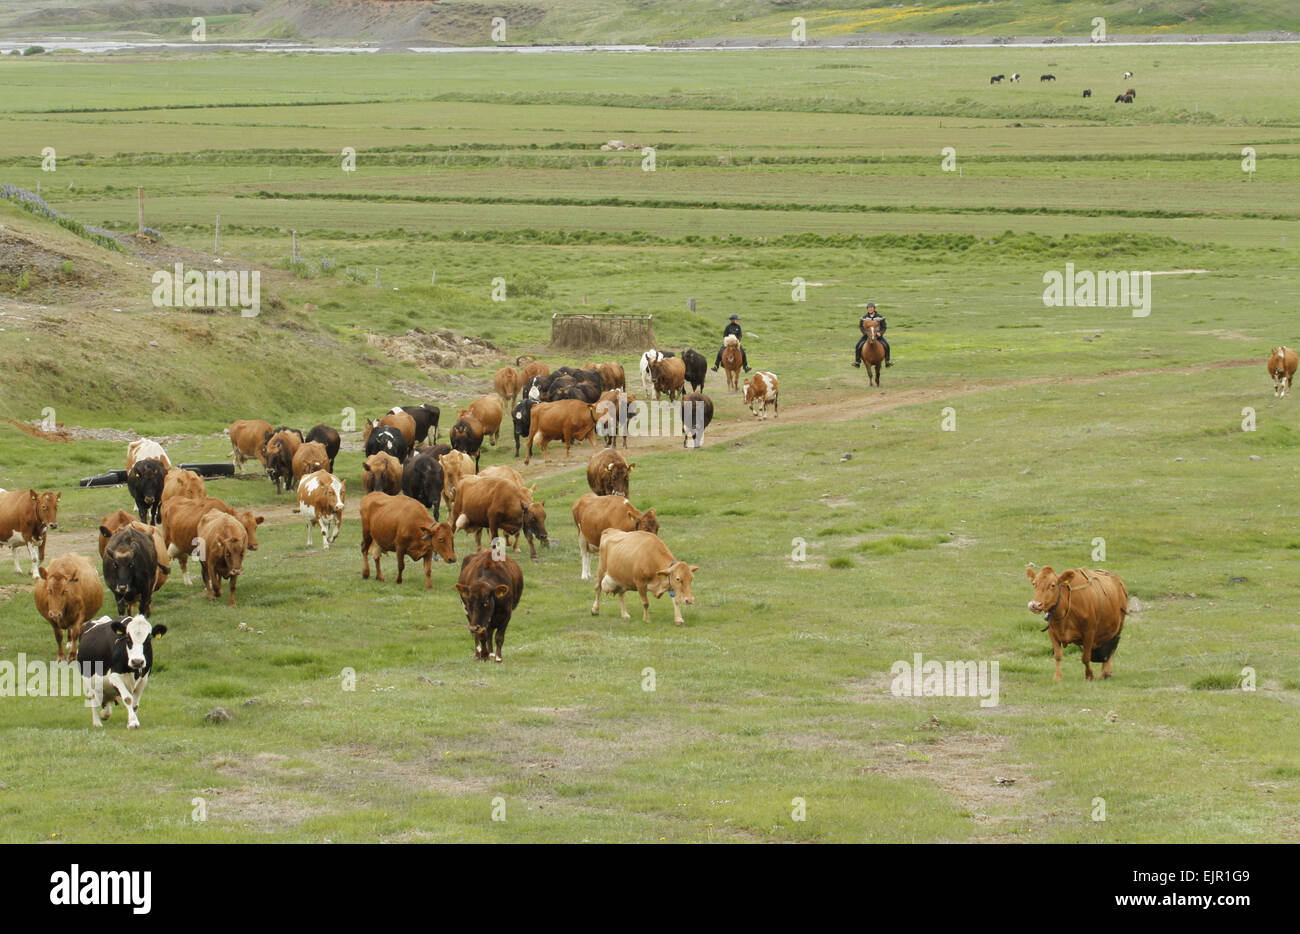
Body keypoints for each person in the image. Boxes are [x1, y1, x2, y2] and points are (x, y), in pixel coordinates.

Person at [853, 302, 892, 368]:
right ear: (867, 309)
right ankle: (857, 361)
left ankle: (887, 361)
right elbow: (861, 327)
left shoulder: (880, 317)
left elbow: (884, 327)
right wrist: (866, 333)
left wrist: (880, 333)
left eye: (871, 308)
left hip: (877, 336)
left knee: (886, 345)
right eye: (868, 308)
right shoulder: (864, 318)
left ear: (874, 308)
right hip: (867, 336)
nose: (870, 309)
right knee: (858, 346)